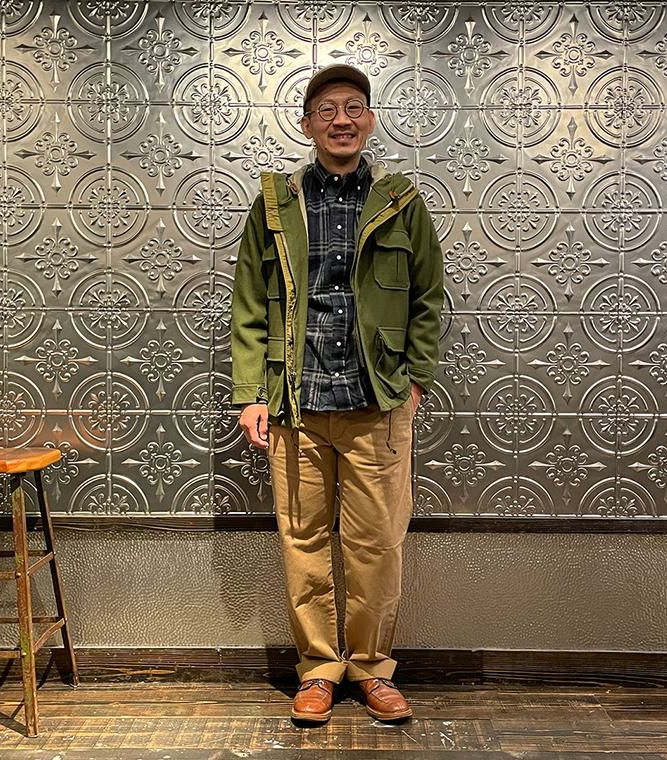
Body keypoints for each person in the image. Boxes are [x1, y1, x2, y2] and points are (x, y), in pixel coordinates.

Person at [231, 64, 443, 723]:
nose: (341, 120)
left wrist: (414, 380)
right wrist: (252, 393)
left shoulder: (401, 202)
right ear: (307, 125)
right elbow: (249, 304)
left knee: (377, 546)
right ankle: (319, 670)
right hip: (296, 406)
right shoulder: (276, 203)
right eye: (326, 110)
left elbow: (429, 299)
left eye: (353, 107)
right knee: (303, 545)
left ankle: (373, 669)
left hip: (377, 406)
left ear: (370, 120)